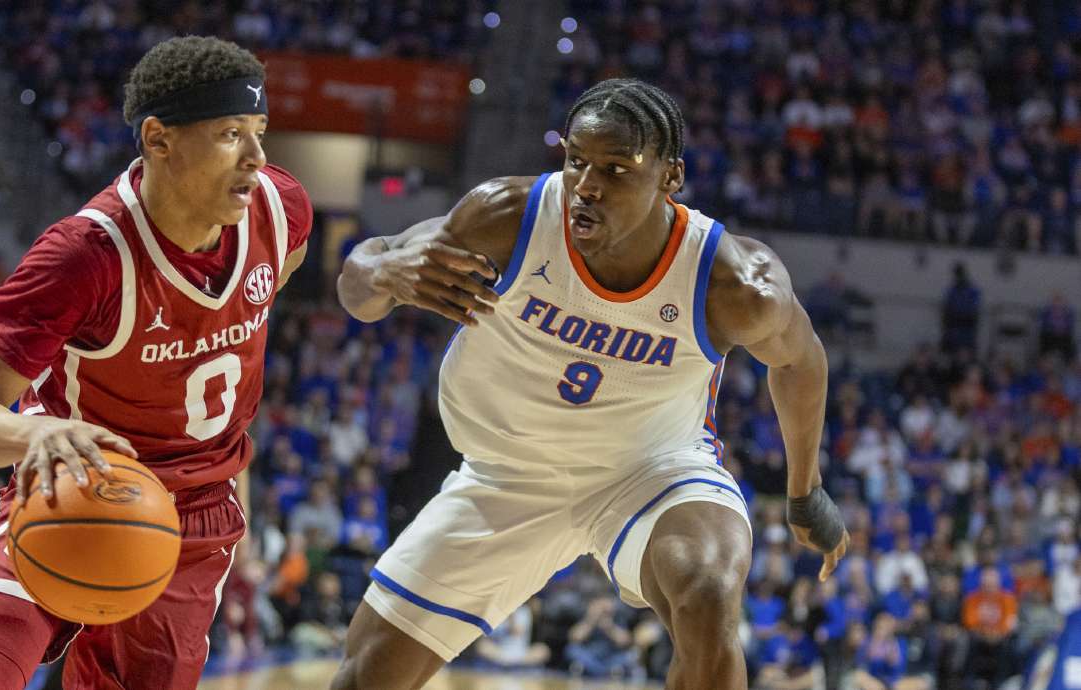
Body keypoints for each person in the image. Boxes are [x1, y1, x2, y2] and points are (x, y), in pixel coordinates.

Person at [333, 78, 849, 689]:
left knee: (708, 593)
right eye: (576, 160)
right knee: (363, 679)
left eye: (616, 168)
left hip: (651, 471)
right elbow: (361, 276)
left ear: (671, 177)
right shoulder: (508, 216)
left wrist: (805, 490)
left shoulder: (733, 283)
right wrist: (384, 274)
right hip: (507, 473)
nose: (587, 185)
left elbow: (799, 361)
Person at [0, 36, 312, 690]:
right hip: (75, 486)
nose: (256, 157)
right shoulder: (86, 255)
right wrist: (37, 433)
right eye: (230, 134)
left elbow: (265, 293)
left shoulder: (280, 209)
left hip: (191, 521)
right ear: (158, 139)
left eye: (259, 132)